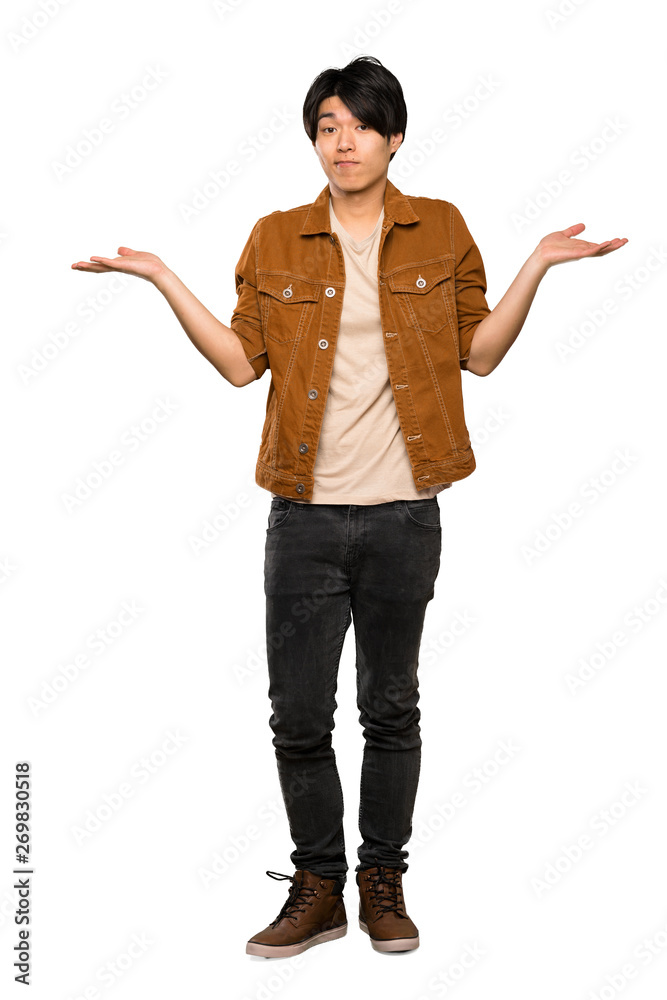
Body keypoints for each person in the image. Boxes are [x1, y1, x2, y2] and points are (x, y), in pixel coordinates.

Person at [71, 55, 628, 959]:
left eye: (360, 125)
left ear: (394, 136)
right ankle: (318, 885)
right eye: (326, 125)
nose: (342, 141)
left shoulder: (439, 228)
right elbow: (237, 363)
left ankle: (383, 880)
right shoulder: (275, 236)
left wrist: (536, 264)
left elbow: (477, 354)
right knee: (297, 714)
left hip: (405, 512)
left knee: (390, 707)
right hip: (304, 516)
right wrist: (163, 277)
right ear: (313, 139)